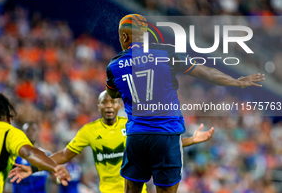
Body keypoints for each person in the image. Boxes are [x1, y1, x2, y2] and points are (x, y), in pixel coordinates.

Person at [105, 14, 265, 193]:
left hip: (137, 137)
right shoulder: (166, 53)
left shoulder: (114, 65)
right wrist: (236, 82)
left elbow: (112, 93)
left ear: (125, 37)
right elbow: (206, 72)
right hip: (167, 136)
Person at [8, 90, 214, 193]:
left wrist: (193, 140)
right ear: (98, 107)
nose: (108, 106)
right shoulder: (89, 131)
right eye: (104, 102)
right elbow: (63, 155)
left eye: (112, 102)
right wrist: (34, 169)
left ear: (118, 105)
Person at [12, 122, 52, 193]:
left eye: (33, 130)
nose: (31, 132)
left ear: (38, 132)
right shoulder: (15, 156)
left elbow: (55, 178)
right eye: (27, 130)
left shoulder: (46, 155)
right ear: (23, 133)